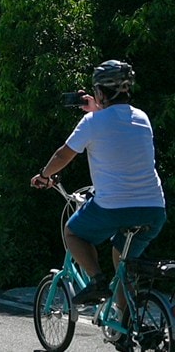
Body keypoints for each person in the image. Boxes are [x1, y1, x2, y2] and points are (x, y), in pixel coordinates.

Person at [31, 60, 165, 305]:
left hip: (113, 207)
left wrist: (44, 175)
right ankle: (126, 320)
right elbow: (118, 130)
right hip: (154, 209)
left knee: (72, 232)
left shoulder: (92, 122)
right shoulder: (142, 117)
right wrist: (97, 108)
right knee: (123, 262)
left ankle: (97, 281)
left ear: (100, 93)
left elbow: (63, 155)